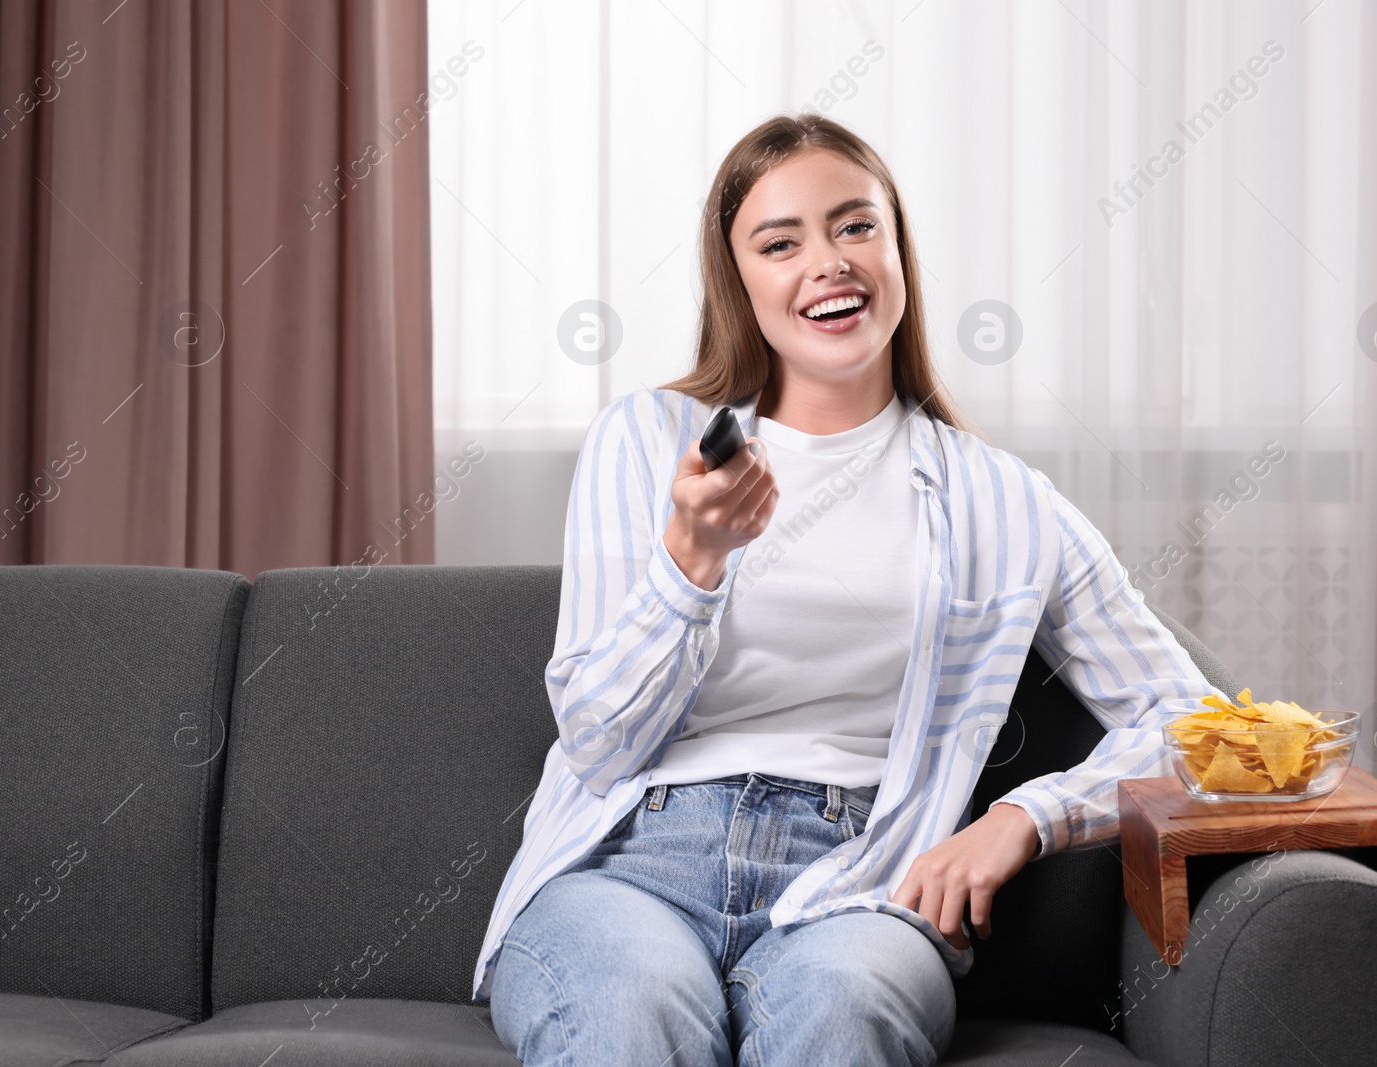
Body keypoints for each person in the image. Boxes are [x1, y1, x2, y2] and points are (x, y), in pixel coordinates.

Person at [473, 113, 1221, 1066]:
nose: (826, 261)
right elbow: (596, 737)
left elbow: (1191, 721)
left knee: (840, 1013)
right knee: (628, 1015)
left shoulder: (1003, 502)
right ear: (740, 282)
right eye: (780, 242)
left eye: (854, 225)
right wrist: (689, 567)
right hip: (629, 864)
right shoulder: (649, 442)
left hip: (862, 881)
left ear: (898, 248)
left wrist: (1023, 818)